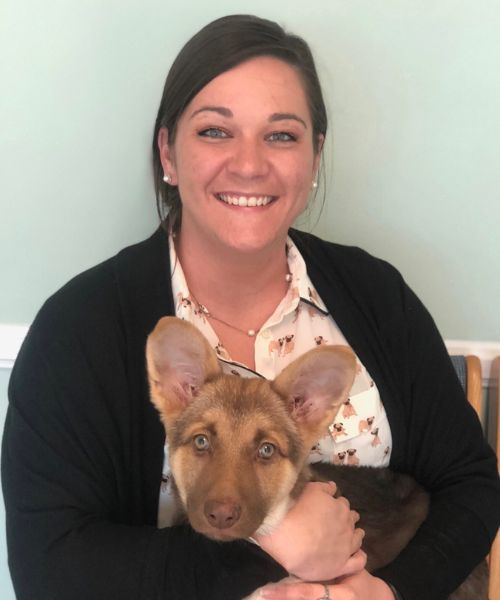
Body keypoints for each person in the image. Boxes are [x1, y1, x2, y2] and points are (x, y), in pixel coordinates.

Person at [2, 14, 499, 600]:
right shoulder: (80, 330)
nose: (248, 164)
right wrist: (270, 543)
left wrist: (391, 594)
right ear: (167, 151)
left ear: (314, 157)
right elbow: (49, 570)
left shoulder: (376, 296)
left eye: (281, 135)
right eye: (215, 131)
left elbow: (471, 485)